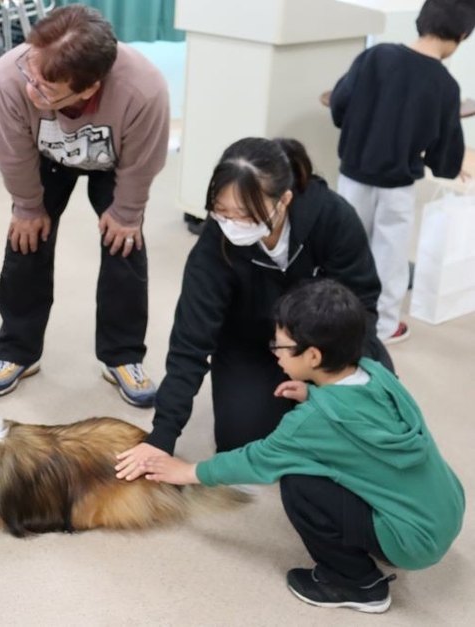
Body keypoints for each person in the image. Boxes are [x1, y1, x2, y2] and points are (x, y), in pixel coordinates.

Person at [129, 279, 465, 614]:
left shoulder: (309, 424)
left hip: (412, 543)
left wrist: (188, 471)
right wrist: (314, 392)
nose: (274, 353)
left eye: (280, 347)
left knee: (298, 483)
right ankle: (379, 540)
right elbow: (359, 412)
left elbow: (255, 460)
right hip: (446, 509)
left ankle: (359, 584)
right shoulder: (376, 372)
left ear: (313, 356)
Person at [114, 137, 393, 471]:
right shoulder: (214, 247)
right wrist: (163, 435)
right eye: (222, 212)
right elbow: (190, 341)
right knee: (242, 440)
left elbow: (361, 301)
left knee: (376, 417)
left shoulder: (332, 217)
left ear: (284, 200)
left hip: (324, 345)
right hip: (251, 346)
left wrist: (331, 372)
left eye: (245, 215)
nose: (232, 224)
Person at [0, 5, 171, 407]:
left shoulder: (143, 88)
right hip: (43, 158)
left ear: (89, 89)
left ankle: (122, 357)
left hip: (113, 162)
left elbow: (144, 158)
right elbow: (12, 152)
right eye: (29, 73)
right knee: (25, 241)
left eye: (45, 89)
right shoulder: (9, 75)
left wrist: (128, 213)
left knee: (125, 247)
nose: (30, 88)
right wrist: (27, 207)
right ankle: (17, 350)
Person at [330, 0, 475, 344]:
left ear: (420, 21)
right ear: (462, 35)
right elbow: (445, 148)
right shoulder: (445, 85)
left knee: (345, 247)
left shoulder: (375, 57)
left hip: (354, 173)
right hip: (397, 184)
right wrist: (450, 167)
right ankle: (383, 327)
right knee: (389, 256)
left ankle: (333, 318)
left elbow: (340, 103)